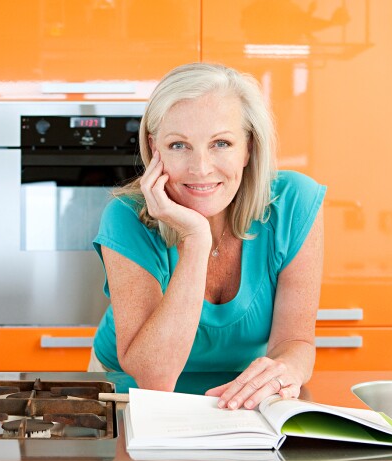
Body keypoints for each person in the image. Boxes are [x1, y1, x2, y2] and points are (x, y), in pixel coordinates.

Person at [87, 63, 326, 411]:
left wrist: (284, 370)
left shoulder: (294, 202)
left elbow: (296, 342)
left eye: (221, 143)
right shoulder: (126, 216)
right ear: (155, 148)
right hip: (126, 393)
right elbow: (155, 379)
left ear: (248, 148)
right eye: (179, 145)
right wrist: (196, 240)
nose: (200, 167)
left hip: (241, 396)